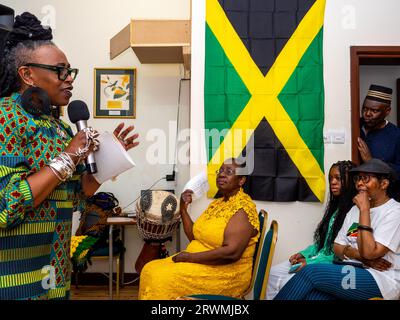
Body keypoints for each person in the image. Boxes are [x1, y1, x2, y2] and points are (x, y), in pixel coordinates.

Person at [0, 12, 138, 300]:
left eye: (70, 71)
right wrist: (69, 155)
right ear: (27, 74)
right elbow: (7, 205)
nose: (69, 79)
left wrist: (110, 162)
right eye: (59, 70)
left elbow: (76, 195)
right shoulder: (6, 118)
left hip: (55, 274)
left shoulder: (62, 129)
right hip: (13, 279)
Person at [274, 158, 400, 300]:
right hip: (353, 268)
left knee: (311, 273)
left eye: (365, 179)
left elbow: (370, 252)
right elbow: (337, 247)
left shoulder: (394, 212)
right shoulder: (354, 210)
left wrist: (364, 209)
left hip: (380, 279)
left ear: (384, 184)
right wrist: (362, 258)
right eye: (358, 178)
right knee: (313, 297)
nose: (359, 183)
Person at [138, 159, 260, 300]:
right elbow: (195, 237)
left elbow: (231, 253)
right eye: (220, 170)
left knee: (158, 276)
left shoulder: (243, 209)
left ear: (241, 180)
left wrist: (189, 257)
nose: (221, 174)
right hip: (201, 261)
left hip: (225, 273)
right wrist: (183, 208)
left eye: (229, 172)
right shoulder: (218, 203)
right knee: (149, 268)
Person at [266, 160, 356, 300]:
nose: (333, 182)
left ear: (350, 181)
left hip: (331, 266)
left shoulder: (354, 213)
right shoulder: (335, 208)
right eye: (331, 178)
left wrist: (309, 263)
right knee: (273, 273)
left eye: (338, 178)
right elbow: (322, 244)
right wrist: (303, 254)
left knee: (287, 282)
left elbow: (340, 254)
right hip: (317, 258)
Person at [358, 84, 400, 200]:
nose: (367, 114)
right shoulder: (353, 125)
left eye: (374, 110)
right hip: (356, 198)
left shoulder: (396, 136)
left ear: (387, 111)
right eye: (365, 109)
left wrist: (372, 162)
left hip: (385, 200)